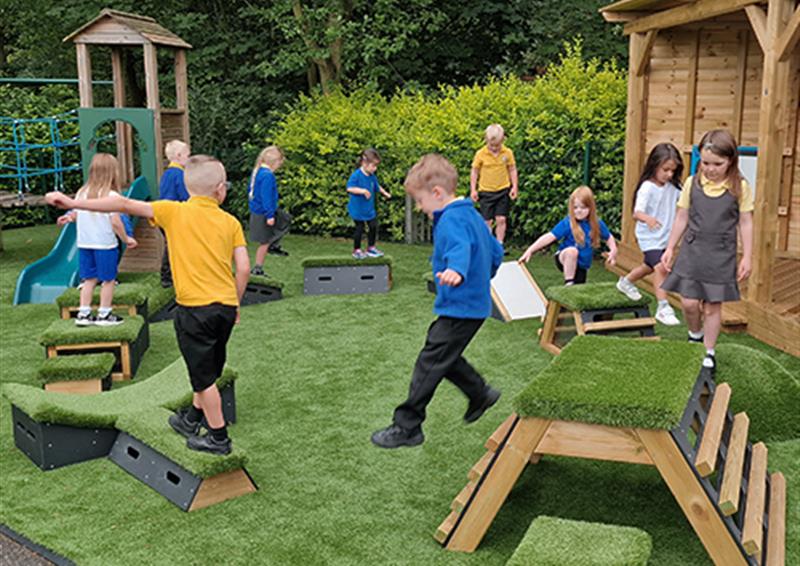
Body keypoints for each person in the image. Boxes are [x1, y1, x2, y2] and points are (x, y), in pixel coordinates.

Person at [46, 155, 249, 456]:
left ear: (186, 187)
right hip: (224, 307)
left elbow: (123, 205)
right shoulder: (230, 221)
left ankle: (218, 438)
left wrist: (73, 202)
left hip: (194, 310)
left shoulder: (172, 211)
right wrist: (235, 304)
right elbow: (243, 268)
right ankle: (191, 419)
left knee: (203, 377)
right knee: (207, 366)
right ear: (221, 190)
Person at [371, 154, 504, 449]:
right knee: (444, 357)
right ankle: (480, 393)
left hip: (460, 306)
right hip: (474, 305)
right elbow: (495, 253)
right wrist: (481, 277)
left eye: (420, 201)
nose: (420, 208)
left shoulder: (451, 219)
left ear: (437, 193)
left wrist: (457, 270)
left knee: (430, 360)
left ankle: (407, 426)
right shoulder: (474, 216)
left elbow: (459, 247)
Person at [661, 129, 753, 371]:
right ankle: (694, 333)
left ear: (731, 161)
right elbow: (681, 217)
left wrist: (748, 257)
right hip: (693, 251)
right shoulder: (693, 183)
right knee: (689, 302)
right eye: (705, 162)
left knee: (712, 306)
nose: (710, 169)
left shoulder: (740, 187)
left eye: (717, 164)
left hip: (721, 255)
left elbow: (746, 222)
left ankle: (709, 351)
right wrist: (671, 247)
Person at [56, 153, 137, 326]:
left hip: (85, 244)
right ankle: (104, 314)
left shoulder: (82, 192)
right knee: (108, 280)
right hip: (105, 245)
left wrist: (70, 217)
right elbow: (116, 222)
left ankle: (83, 314)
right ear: (113, 173)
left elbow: (79, 212)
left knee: (89, 280)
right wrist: (126, 238)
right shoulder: (112, 196)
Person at [615, 143, 683, 326]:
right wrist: (648, 219)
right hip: (649, 237)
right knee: (661, 268)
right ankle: (663, 307)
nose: (669, 174)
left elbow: (685, 201)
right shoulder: (647, 187)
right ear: (654, 165)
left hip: (664, 238)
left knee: (648, 266)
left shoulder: (674, 187)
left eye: (672, 171)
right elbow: (637, 212)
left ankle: (625, 282)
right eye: (665, 170)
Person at [519, 186, 617, 284]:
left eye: (583, 207)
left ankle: (572, 284)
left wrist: (613, 250)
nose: (578, 211)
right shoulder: (568, 223)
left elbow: (608, 237)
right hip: (564, 257)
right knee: (572, 252)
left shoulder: (596, 223)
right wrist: (530, 250)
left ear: (591, 208)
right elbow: (549, 236)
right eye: (575, 207)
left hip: (581, 264)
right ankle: (568, 282)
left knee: (578, 290)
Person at [470, 124, 518, 249]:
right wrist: (473, 190)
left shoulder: (507, 153)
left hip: (503, 190)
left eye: (497, 145)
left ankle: (499, 244)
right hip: (486, 191)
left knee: (501, 219)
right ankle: (487, 245)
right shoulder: (481, 154)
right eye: (492, 145)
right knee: (487, 221)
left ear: (502, 140)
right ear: (486, 141)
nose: (494, 148)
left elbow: (512, 169)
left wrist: (514, 187)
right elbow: (475, 171)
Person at [249, 145, 291, 275]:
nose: (280, 166)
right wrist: (269, 215)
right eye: (280, 163)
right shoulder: (267, 176)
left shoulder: (259, 172)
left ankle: (273, 245)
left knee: (285, 219)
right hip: (264, 211)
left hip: (262, 210)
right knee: (264, 242)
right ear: (275, 162)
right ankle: (258, 267)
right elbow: (265, 196)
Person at [347, 148, 391, 259]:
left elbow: (376, 186)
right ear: (364, 163)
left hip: (369, 209)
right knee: (359, 229)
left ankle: (371, 248)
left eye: (376, 166)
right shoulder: (356, 175)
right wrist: (363, 191)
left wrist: (384, 193)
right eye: (373, 166)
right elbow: (350, 188)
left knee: (373, 226)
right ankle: (356, 250)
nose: (375, 169)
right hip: (357, 209)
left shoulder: (372, 176)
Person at [158, 140, 191, 287]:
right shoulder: (179, 175)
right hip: (174, 216)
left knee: (171, 244)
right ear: (178, 156)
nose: (188, 158)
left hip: (164, 214)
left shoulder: (167, 173)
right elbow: (185, 196)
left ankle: (168, 276)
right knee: (174, 245)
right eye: (187, 155)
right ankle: (167, 276)